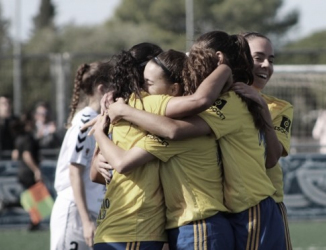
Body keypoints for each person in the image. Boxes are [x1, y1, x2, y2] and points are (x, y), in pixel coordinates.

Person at [100, 31, 286, 250]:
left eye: (197, 58)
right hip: (218, 216)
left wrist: (118, 112)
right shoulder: (180, 108)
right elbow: (98, 173)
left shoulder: (226, 102)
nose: (191, 65)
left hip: (237, 212)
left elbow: (175, 130)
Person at [90, 49, 234, 250]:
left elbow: (95, 174)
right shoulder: (149, 104)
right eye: (146, 83)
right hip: (136, 228)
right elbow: (197, 102)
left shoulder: (119, 109)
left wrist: (100, 131)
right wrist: (226, 68)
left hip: (119, 226)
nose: (146, 89)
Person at [235, 31, 294, 250]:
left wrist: (263, 111)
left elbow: (272, 158)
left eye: (271, 59)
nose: (266, 65)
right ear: (240, 58)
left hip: (266, 206)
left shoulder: (279, 108)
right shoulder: (219, 102)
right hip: (223, 206)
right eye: (258, 57)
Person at [50, 60, 113, 250]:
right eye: (115, 85)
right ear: (102, 89)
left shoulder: (99, 120)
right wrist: (85, 222)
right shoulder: (84, 123)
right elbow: (74, 172)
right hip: (75, 214)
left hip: (89, 211)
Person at [11, 112, 42, 231]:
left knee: (30, 197)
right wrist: (36, 169)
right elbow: (26, 155)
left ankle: (34, 221)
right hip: (28, 172)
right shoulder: (28, 138)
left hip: (22, 171)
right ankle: (34, 221)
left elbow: (15, 155)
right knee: (33, 197)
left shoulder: (19, 137)